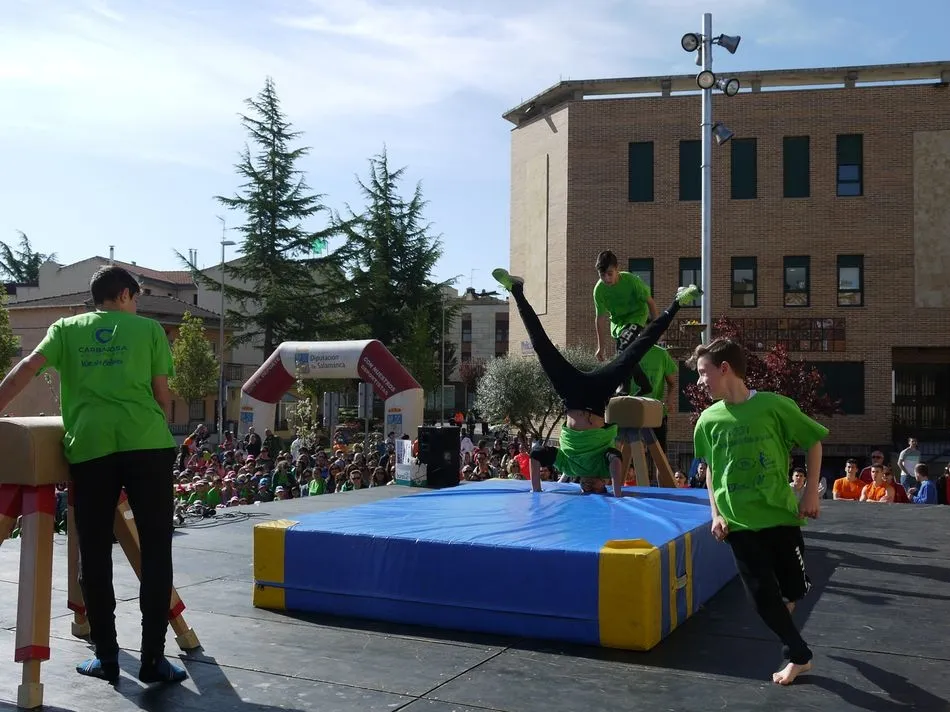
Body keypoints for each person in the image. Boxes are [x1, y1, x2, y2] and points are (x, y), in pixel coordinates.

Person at [0, 266, 187, 684]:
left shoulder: (66, 329)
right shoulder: (149, 330)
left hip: (90, 449)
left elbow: (27, 367)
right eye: (135, 298)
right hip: (148, 446)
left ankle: (106, 657)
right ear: (123, 295)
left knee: (95, 554)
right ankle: (153, 660)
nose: (136, 305)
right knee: (157, 552)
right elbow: (161, 394)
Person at [688, 337, 827, 686]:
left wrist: (810, 492)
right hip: (738, 522)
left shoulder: (774, 406)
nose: (700, 382)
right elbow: (712, 470)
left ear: (725, 369)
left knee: (795, 588)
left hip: (780, 515)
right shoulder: (708, 420)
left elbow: (813, 442)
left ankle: (788, 602)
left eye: (703, 373)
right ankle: (799, 656)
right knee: (762, 597)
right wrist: (716, 514)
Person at [493, 267, 699, 497]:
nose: (590, 486)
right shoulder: (603, 467)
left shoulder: (568, 468)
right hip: (598, 395)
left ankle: (516, 289)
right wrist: (617, 493)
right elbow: (616, 459)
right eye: (598, 488)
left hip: (571, 395)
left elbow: (537, 453)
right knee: (638, 349)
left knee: (540, 345)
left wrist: (536, 490)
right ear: (605, 484)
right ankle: (678, 301)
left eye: (586, 488)